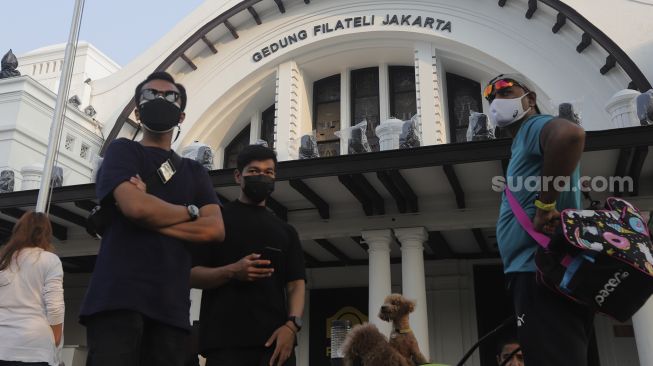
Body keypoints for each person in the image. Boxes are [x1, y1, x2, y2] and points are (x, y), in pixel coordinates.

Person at [79, 71, 225, 366]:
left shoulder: (195, 172)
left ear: (181, 116)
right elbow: (136, 209)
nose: (160, 101)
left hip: (171, 309)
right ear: (137, 109)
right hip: (116, 301)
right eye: (150, 95)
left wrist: (151, 213)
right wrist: (190, 212)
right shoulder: (122, 151)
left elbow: (215, 229)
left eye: (170, 97)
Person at [490, 74, 594, 366]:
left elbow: (570, 135)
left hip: (541, 271)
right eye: (491, 99)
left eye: (506, 92)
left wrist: (546, 205)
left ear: (530, 99)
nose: (496, 102)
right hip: (539, 272)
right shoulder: (525, 142)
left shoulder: (532, 126)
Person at [191, 144, 306, 366]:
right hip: (225, 346)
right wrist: (232, 271)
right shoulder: (216, 222)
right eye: (254, 171)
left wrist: (292, 327)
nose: (262, 177)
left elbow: (296, 284)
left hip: (276, 347)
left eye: (268, 172)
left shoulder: (286, 231)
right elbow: (190, 274)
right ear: (238, 176)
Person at [0, 211, 64, 366]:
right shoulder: (49, 260)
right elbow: (55, 307)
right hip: (34, 345)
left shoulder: (4, 260)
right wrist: (54, 338)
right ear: (46, 234)